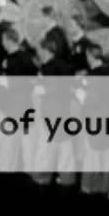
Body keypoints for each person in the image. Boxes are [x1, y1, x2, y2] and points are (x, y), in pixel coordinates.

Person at [31, 37, 76, 187]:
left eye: (39, 50)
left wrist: (39, 88)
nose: (38, 53)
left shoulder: (49, 68)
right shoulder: (62, 65)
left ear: (45, 50)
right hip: (64, 108)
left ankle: (42, 176)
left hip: (52, 110)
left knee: (46, 143)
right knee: (65, 144)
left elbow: (52, 87)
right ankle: (67, 178)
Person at [0, 26, 37, 172]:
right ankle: (8, 166)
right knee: (10, 138)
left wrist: (9, 84)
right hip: (10, 103)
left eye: (3, 40)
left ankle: (24, 168)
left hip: (20, 103)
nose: (2, 43)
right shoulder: (8, 58)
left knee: (22, 139)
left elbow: (31, 81)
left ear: (9, 40)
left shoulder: (24, 58)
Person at [77, 42, 109, 195]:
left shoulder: (93, 75)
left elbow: (91, 100)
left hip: (95, 117)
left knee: (92, 155)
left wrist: (79, 94)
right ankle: (105, 186)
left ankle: (90, 186)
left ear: (89, 56)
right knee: (107, 154)